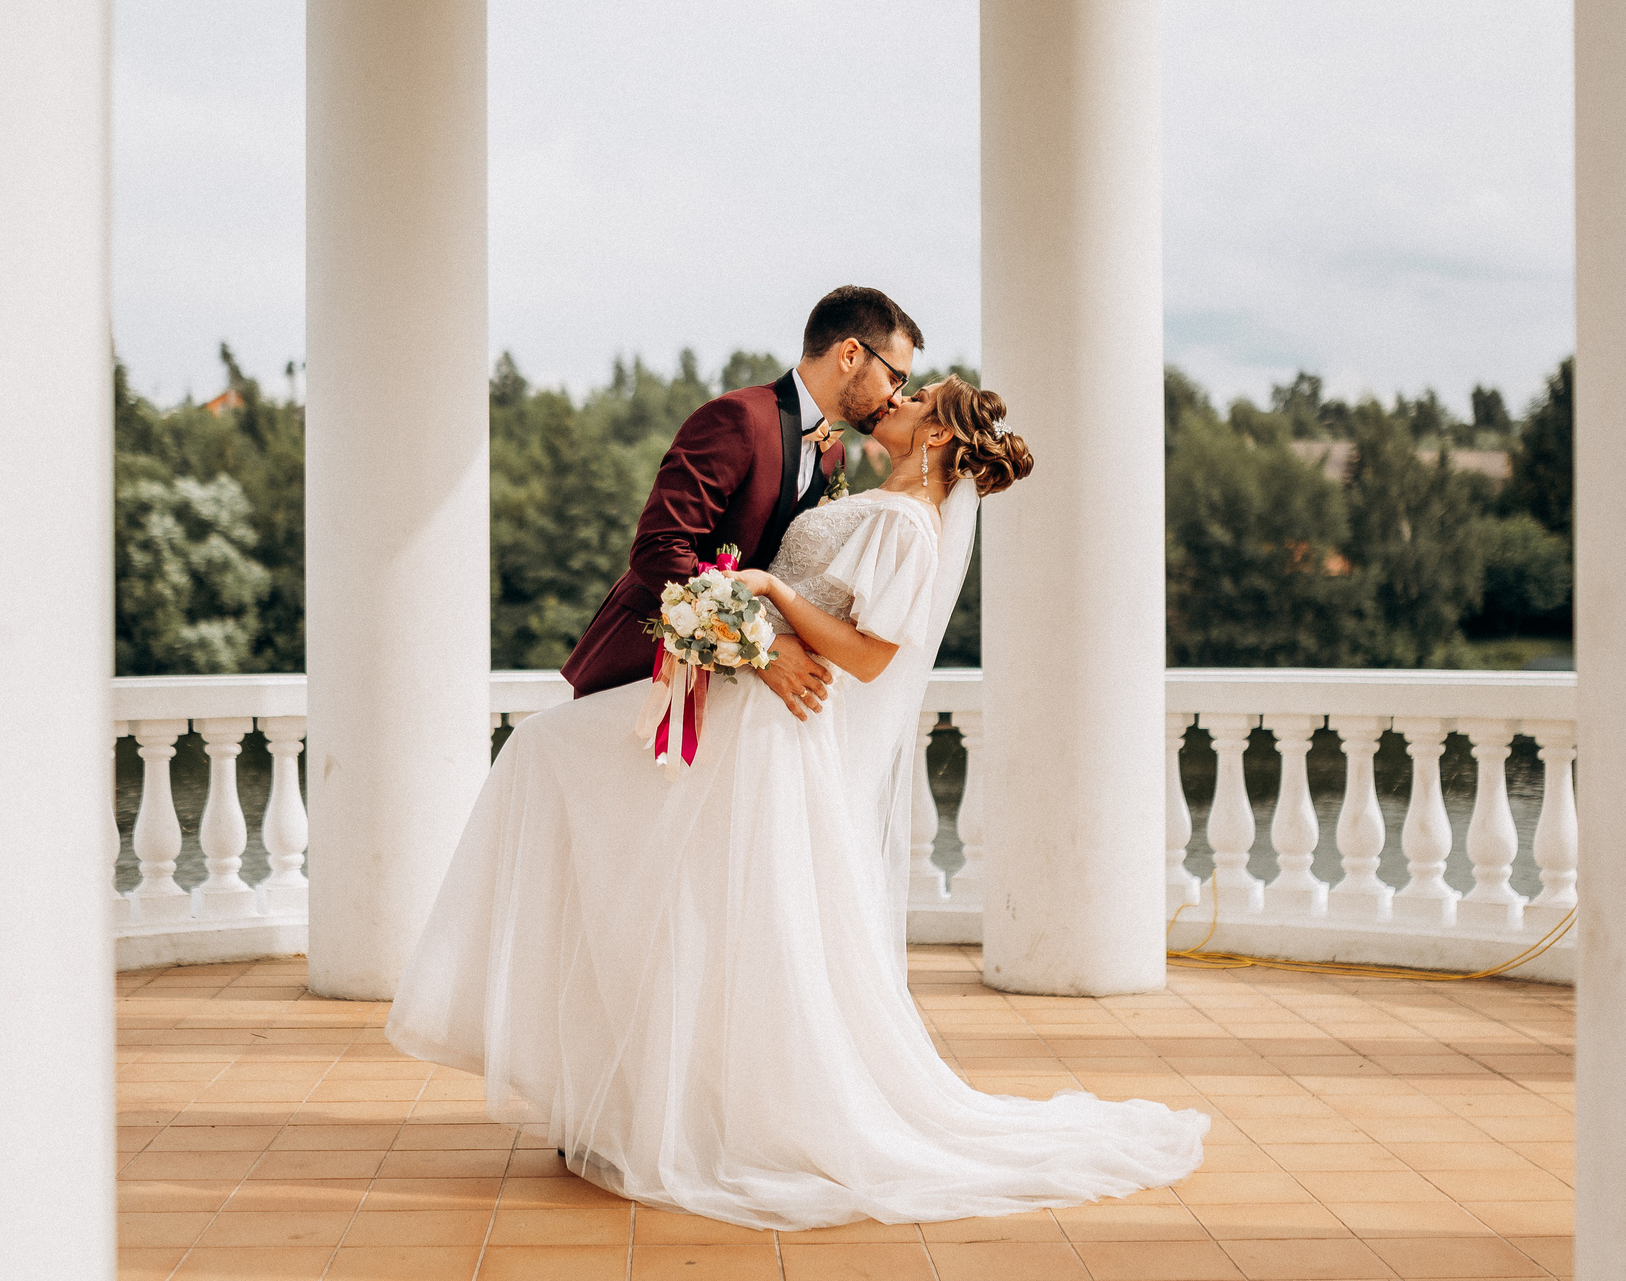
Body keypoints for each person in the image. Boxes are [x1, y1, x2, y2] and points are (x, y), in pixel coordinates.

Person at [388, 371, 1210, 1230]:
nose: (897, 401)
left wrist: (772, 595)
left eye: (915, 398)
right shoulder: (875, 499)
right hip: (747, 709)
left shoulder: (905, 522)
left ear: (935, 437)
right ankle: (628, 1086)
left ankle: (686, 1104)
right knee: (663, 875)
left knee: (599, 801)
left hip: (770, 725)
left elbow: (867, 657)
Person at [560, 285, 922, 721]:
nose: (897, 397)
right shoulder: (739, 418)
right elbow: (659, 549)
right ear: (850, 355)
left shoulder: (833, 454)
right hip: (641, 670)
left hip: (727, 697)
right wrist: (760, 644)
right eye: (895, 377)